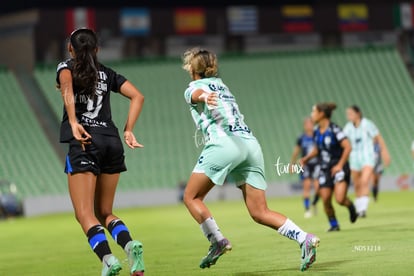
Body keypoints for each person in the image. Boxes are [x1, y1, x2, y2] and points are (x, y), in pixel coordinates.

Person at [181, 47, 319, 272]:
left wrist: (204, 96)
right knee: (260, 212)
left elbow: (197, 95)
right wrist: (209, 95)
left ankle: (216, 241)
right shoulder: (223, 86)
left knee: (191, 197)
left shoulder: (193, 88)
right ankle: (305, 238)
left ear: (192, 69)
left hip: (225, 144)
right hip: (250, 144)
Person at [56, 28, 145, 276]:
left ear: (70, 48)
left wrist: (73, 121)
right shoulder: (107, 73)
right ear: (97, 50)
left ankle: (108, 259)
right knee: (104, 212)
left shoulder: (66, 66)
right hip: (111, 141)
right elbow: (138, 96)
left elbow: (66, 85)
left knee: (84, 215)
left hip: (85, 141)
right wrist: (128, 130)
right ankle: (129, 245)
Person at [301, 103, 358, 232]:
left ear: (321, 114)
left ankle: (350, 206)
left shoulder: (335, 129)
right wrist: (306, 158)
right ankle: (334, 224)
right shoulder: (316, 131)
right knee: (325, 198)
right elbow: (317, 149)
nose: (312, 114)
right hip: (325, 169)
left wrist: (339, 165)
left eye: (314, 112)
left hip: (339, 167)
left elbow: (347, 147)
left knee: (340, 199)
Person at [343, 105, 390, 217]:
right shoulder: (348, 127)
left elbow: (378, 137)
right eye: (347, 114)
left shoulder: (367, 124)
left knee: (364, 181)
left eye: (350, 113)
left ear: (358, 113)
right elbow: (342, 140)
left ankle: (363, 209)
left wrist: (385, 153)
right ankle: (359, 207)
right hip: (354, 158)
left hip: (368, 156)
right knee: (357, 184)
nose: (348, 116)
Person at [290, 117, 320, 218]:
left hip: (317, 164)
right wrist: (292, 164)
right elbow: (296, 152)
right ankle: (307, 210)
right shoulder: (301, 138)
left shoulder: (317, 136)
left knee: (318, 188)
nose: (308, 126)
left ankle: (315, 203)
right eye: (306, 124)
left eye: (310, 124)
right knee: (306, 186)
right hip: (305, 165)